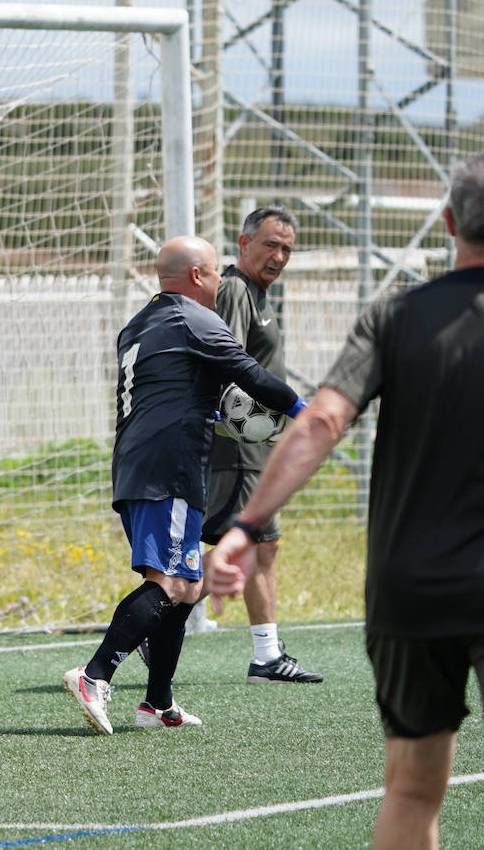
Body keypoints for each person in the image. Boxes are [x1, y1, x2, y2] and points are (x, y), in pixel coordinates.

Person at [205, 148, 484, 849]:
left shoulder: (395, 317)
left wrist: (246, 523)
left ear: (450, 221)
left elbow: (322, 423)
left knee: (413, 789)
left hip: (409, 586)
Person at [64, 235, 305, 734]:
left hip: (139, 465)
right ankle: (95, 674)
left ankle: (157, 703)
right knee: (170, 582)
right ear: (197, 276)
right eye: (217, 273)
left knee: (189, 585)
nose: (221, 282)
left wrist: (213, 411)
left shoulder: (139, 324)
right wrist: (307, 411)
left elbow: (166, 387)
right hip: (169, 467)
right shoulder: (193, 317)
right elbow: (249, 373)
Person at [203, 205, 321, 683]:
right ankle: (264, 656)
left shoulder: (261, 294)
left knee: (250, 546)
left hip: (255, 447)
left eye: (287, 248)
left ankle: (265, 654)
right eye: (271, 244)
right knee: (250, 544)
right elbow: (223, 357)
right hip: (237, 448)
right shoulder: (234, 288)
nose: (279, 255)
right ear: (243, 243)